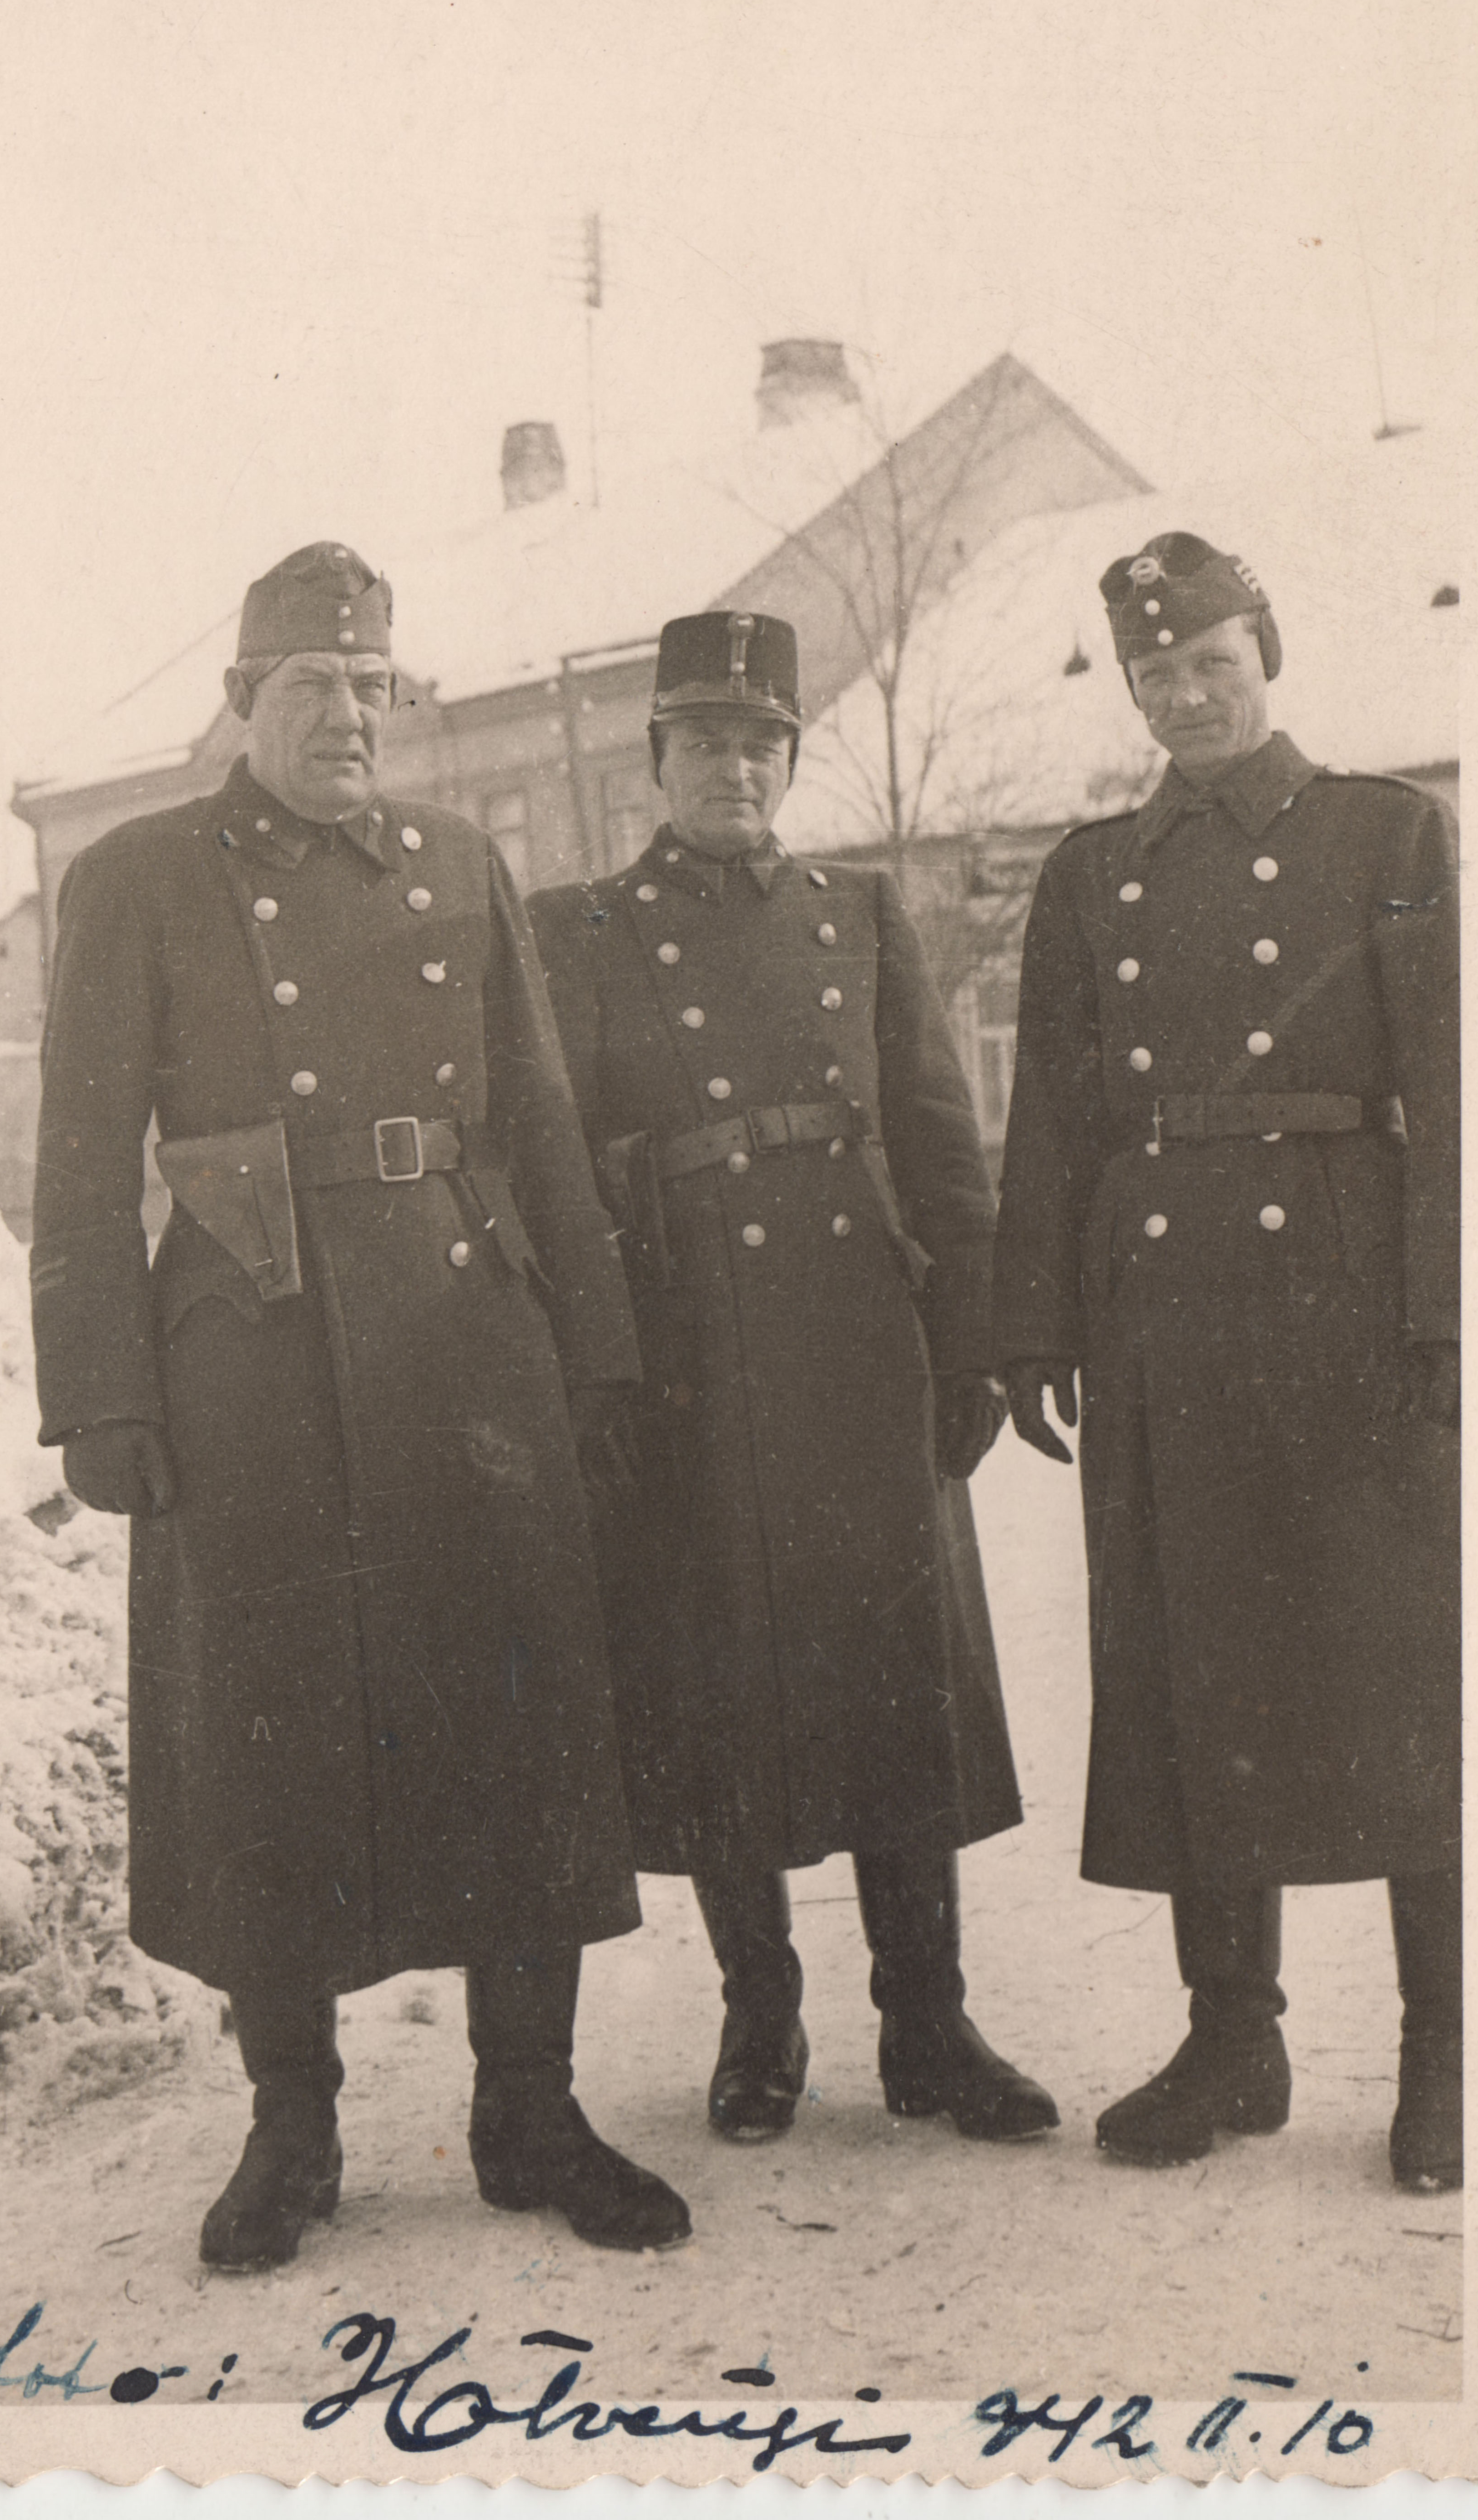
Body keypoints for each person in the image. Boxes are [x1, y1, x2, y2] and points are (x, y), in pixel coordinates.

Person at [30, 540, 691, 2268]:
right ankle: (293, 2126)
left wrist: (597, 1350)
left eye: (372, 683)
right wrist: (99, 1392)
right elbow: (81, 1161)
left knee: (517, 1710)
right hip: (253, 1358)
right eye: (311, 683)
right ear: (241, 701)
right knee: (275, 1736)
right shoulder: (140, 875)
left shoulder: (459, 863)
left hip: (471, 1342)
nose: (349, 713)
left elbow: (538, 1120)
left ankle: (530, 2109)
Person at [529, 610, 1056, 2152]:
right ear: (655, 761)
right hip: (687, 1348)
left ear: (789, 760)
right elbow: (555, 1167)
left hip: (854, 1337)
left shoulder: (858, 911)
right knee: (714, 1684)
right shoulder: (582, 928)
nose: (734, 770)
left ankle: (928, 2022)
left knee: (897, 1679)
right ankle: (758, 2017)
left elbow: (937, 1137)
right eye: (704, 742)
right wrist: (601, 1372)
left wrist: (966, 1339)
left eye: (760, 744)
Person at [992, 531, 1461, 2191]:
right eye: (1156, 674)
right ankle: (1231, 2038)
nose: (1187, 696)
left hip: (1343, 1297)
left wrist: (1447, 1316)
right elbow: (1052, 1110)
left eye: (1212, 663)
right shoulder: (1089, 873)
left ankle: (1441, 2053)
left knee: (1400, 1677)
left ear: (1266, 655)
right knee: (1196, 1670)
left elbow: (1453, 1087)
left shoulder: (1387, 831)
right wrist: (1035, 1322)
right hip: (1162, 1310)